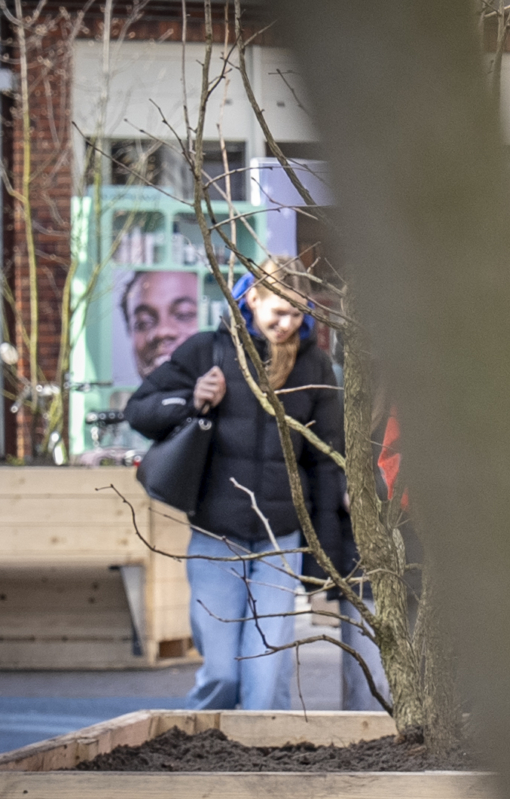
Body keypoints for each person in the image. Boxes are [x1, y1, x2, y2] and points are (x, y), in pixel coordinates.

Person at [127, 270, 351, 711]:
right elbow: (140, 410)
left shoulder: (314, 364)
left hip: (280, 541)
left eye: (297, 313)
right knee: (222, 675)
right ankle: (206, 765)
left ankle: (266, 770)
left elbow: (325, 461)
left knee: (266, 679)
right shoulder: (207, 350)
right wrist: (192, 397)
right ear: (252, 301)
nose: (288, 323)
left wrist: (324, 552)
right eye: (279, 310)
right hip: (215, 533)